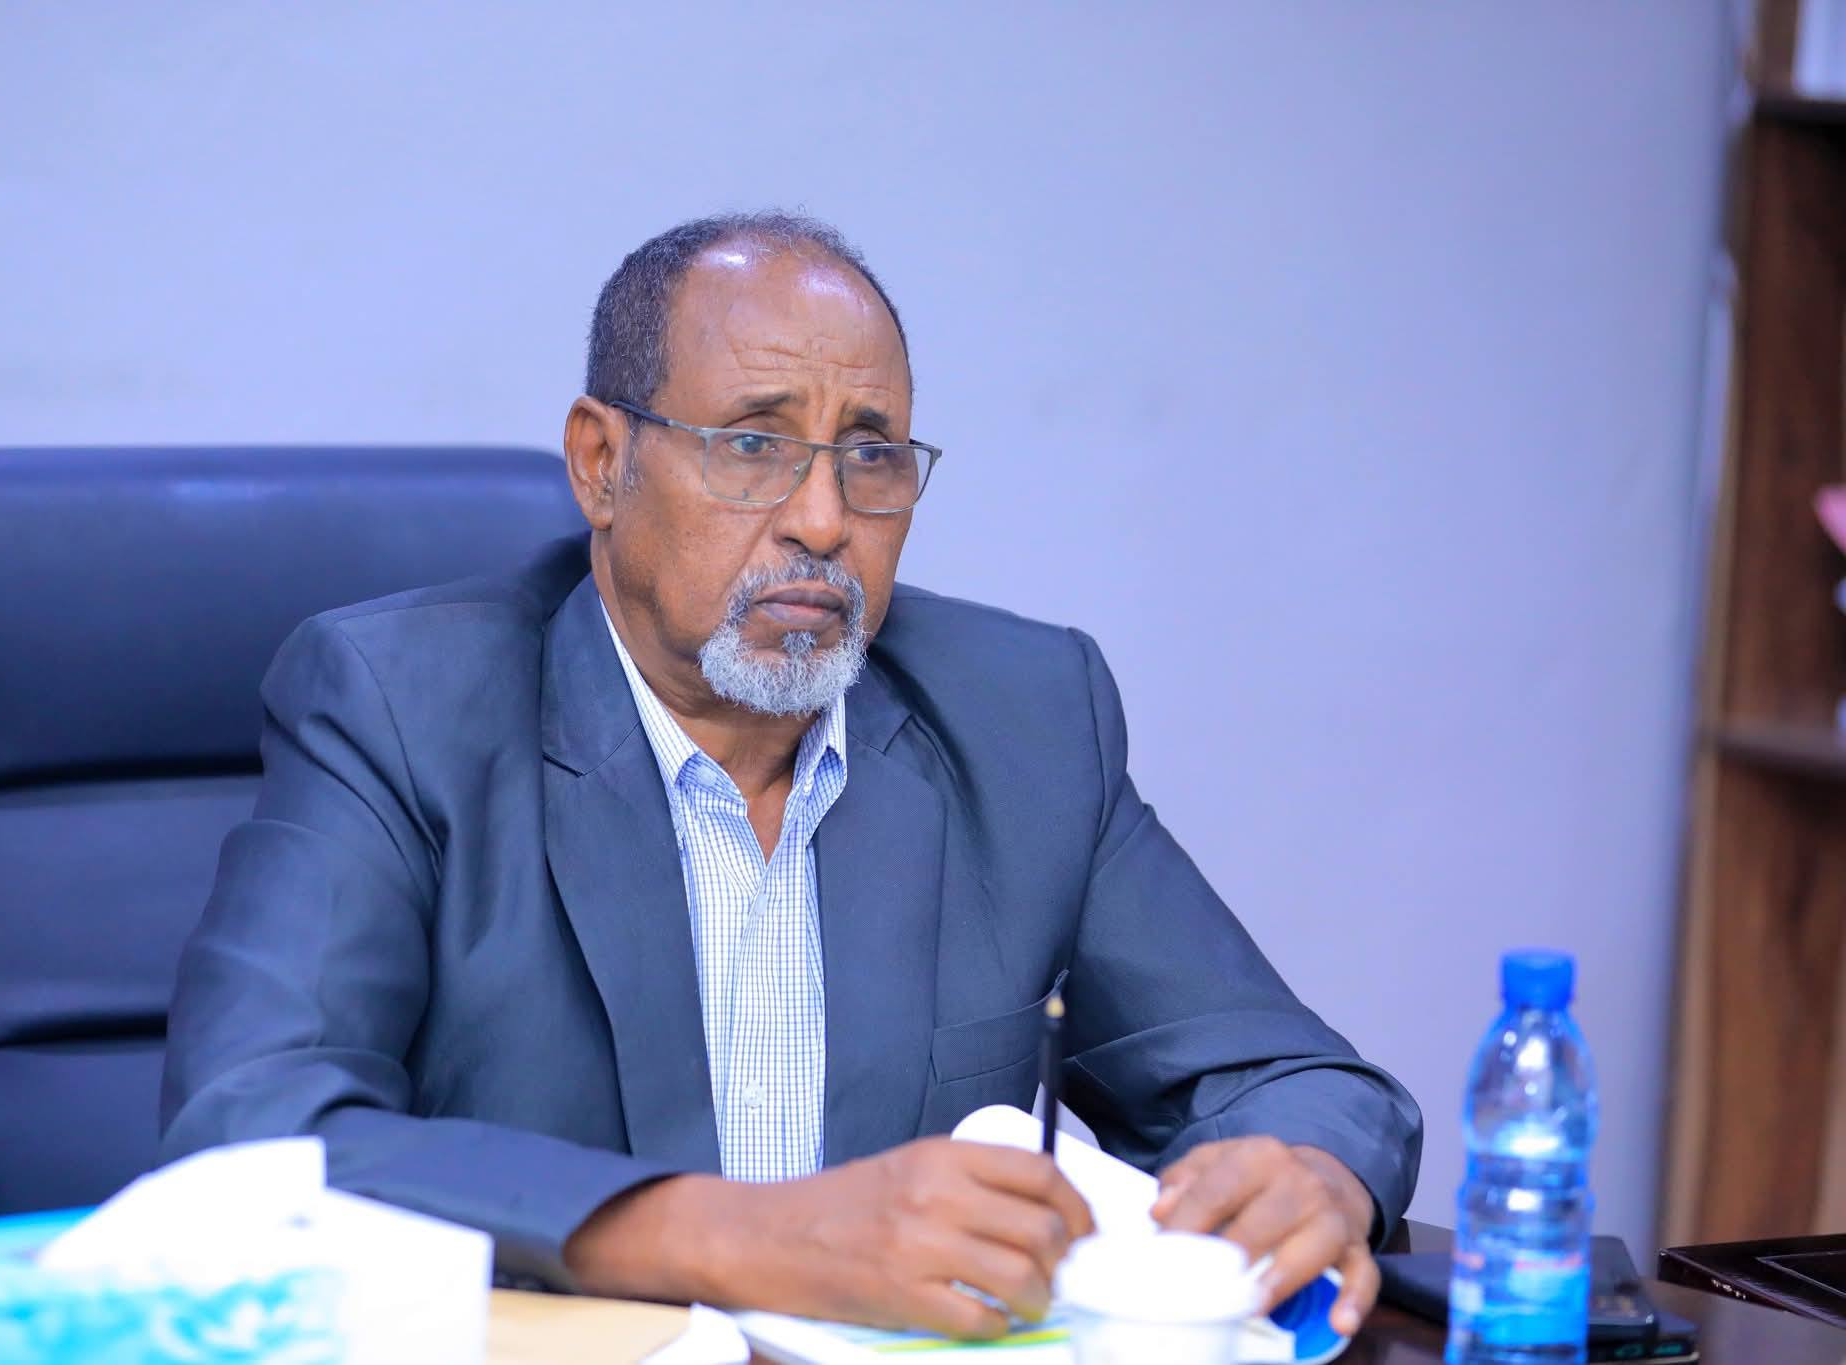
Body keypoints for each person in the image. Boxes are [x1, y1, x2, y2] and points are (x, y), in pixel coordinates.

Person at [162, 212, 1422, 1339]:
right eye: (752, 444)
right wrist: (749, 1239)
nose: (822, 519)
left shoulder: (1022, 717)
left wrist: (1305, 1173)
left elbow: (1288, 1079)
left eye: (869, 456)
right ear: (600, 463)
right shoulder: (399, 706)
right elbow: (248, 1136)